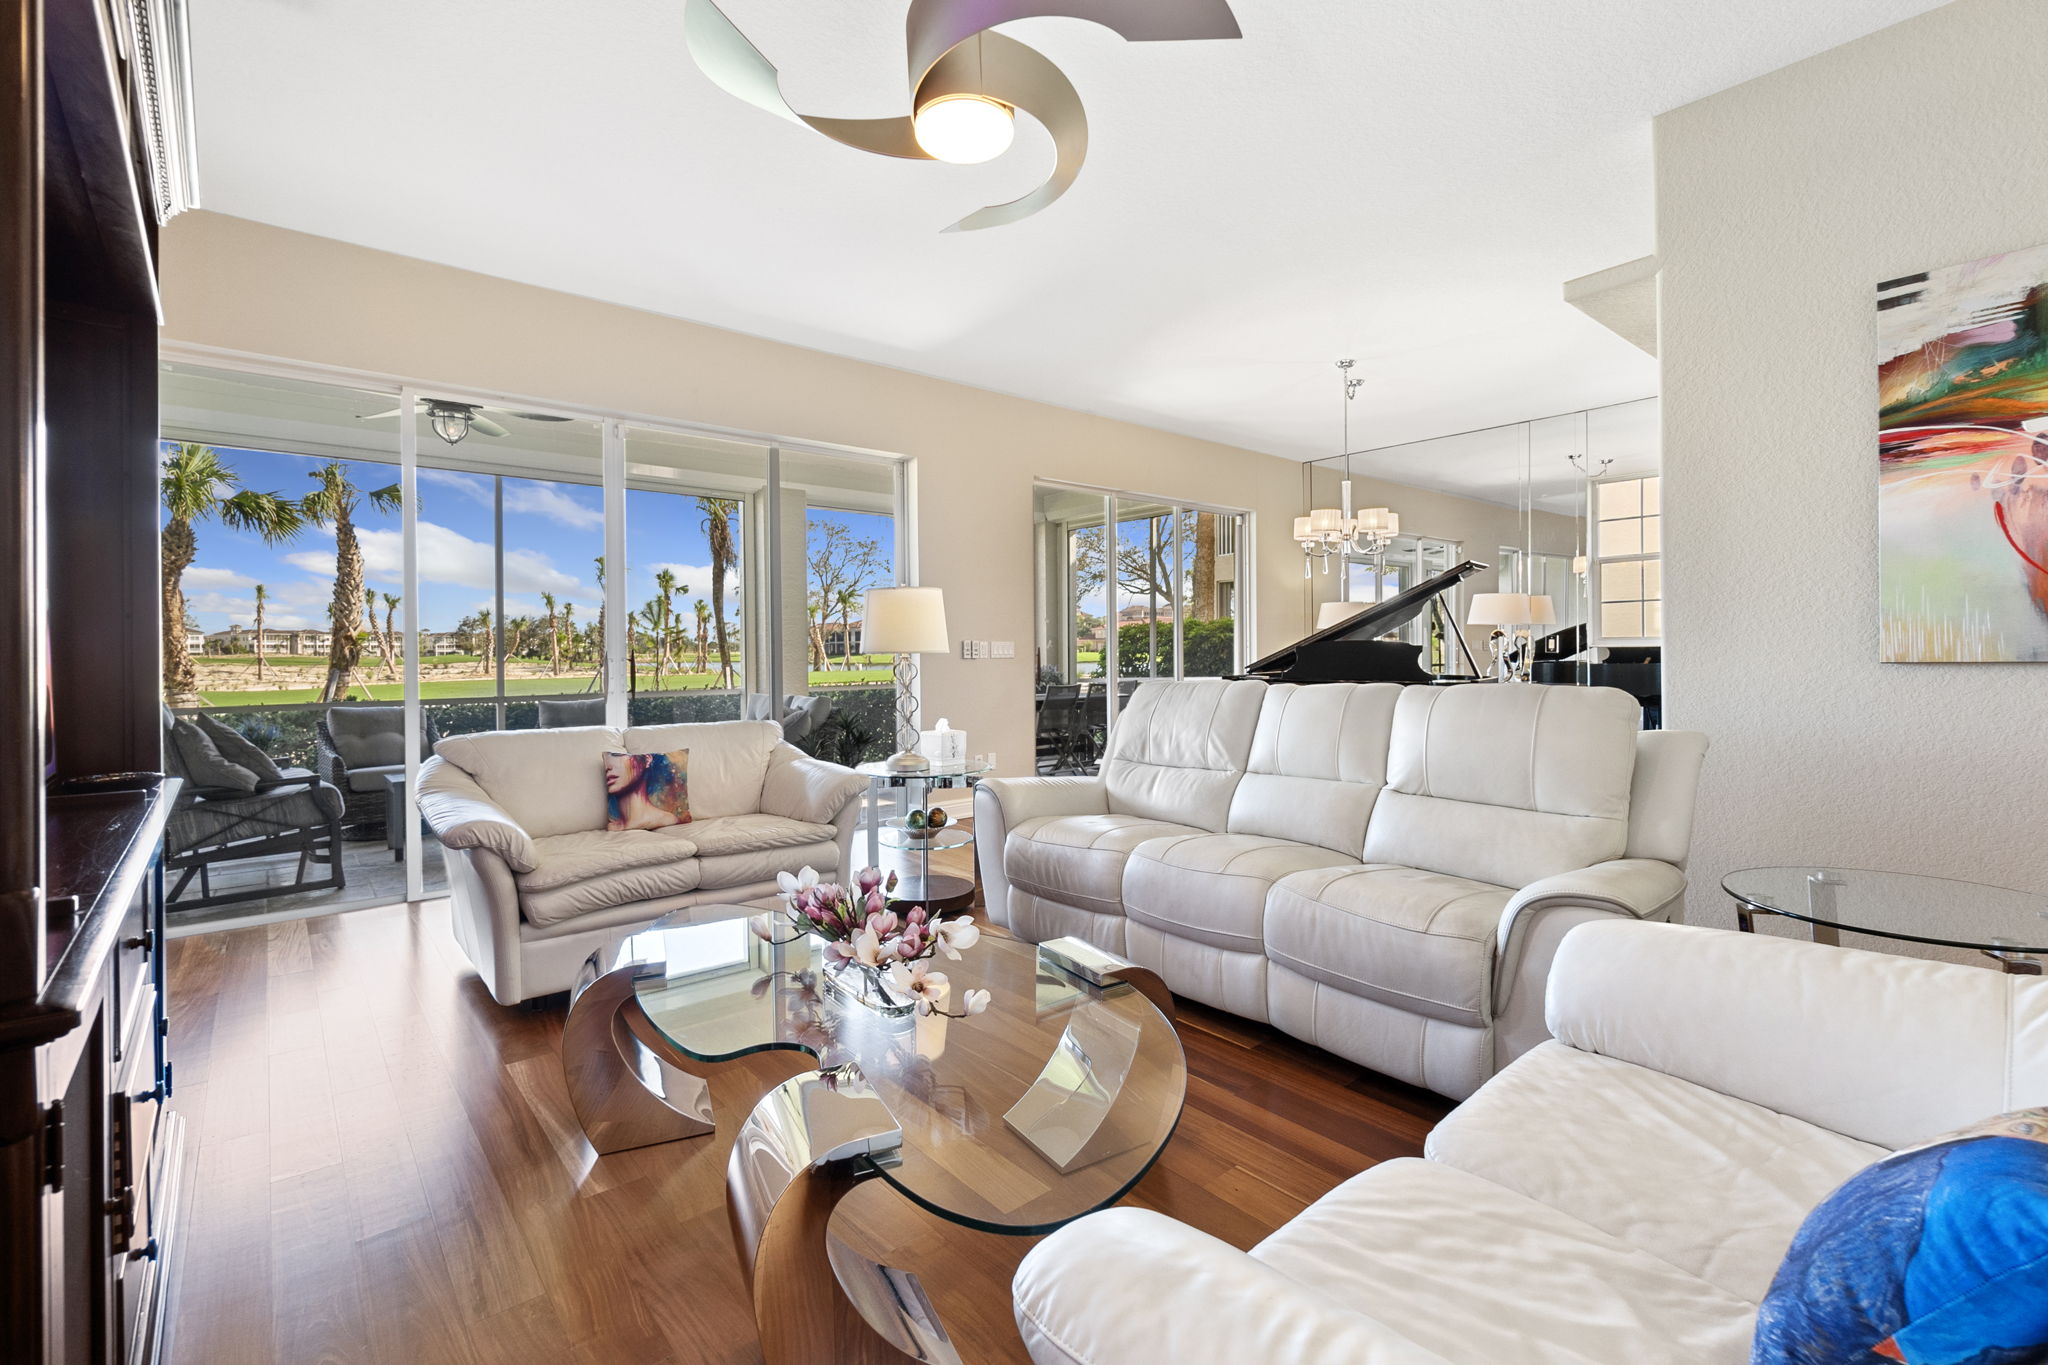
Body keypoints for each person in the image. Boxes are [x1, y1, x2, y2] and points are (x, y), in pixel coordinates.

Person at [603, 750, 686, 830]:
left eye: (617, 755)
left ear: (647, 760)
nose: (608, 767)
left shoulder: (668, 819)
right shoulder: (612, 827)